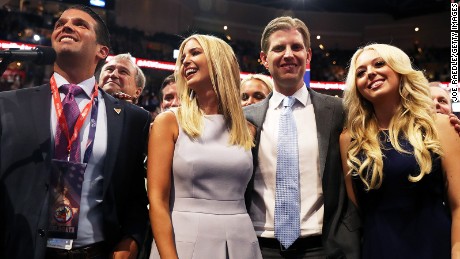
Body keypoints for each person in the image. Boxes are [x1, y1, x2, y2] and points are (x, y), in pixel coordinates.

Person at [0, 5, 151, 259]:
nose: (66, 26)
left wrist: (131, 243)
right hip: (19, 248)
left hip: (93, 252)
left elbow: (135, 196)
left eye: (80, 24)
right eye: (60, 23)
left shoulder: (132, 119)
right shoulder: (8, 104)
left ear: (102, 51)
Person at [243, 16, 360, 258]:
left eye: (296, 47)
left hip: (323, 246)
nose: (288, 54)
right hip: (260, 246)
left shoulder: (339, 111)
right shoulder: (246, 117)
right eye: (279, 48)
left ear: (308, 56)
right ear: (264, 58)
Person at [340, 43, 460, 258]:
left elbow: (459, 207)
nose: (370, 73)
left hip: (434, 248)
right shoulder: (350, 138)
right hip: (377, 249)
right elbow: (358, 208)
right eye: (361, 72)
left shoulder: (440, 125)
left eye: (379, 64)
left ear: (400, 69)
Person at [148, 34, 262, 259]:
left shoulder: (247, 128)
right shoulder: (169, 122)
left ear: (219, 61)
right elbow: (157, 200)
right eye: (183, 57)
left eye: (195, 53)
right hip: (182, 240)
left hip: (242, 241)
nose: (185, 61)